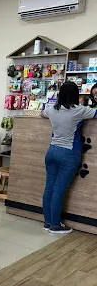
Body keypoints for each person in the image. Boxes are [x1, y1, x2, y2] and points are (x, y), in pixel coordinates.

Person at [42, 81, 97, 234]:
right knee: (59, 189)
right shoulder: (79, 110)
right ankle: (55, 225)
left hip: (51, 151)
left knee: (49, 188)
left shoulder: (52, 109)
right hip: (68, 153)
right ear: (76, 95)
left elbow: (42, 113)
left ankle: (47, 222)